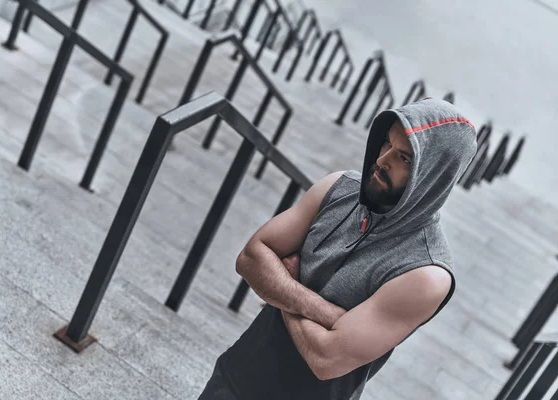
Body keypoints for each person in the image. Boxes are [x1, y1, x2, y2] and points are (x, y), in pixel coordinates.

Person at [198, 98, 477, 399]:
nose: (383, 160)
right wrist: (327, 315)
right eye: (386, 144)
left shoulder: (425, 274)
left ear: (433, 177)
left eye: (404, 158)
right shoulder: (337, 187)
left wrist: (286, 287)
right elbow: (250, 258)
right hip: (235, 377)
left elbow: (325, 359)